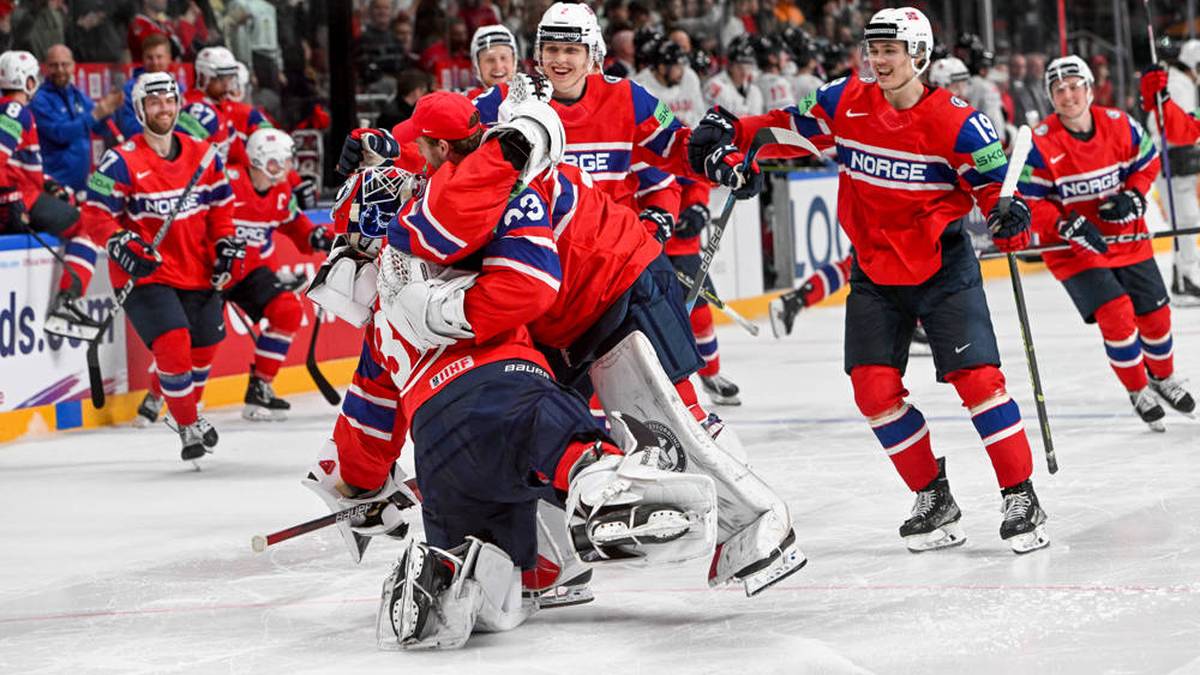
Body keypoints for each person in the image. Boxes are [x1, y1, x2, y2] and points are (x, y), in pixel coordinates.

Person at [691, 7, 1050, 554]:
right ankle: (934, 496)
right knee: (873, 391)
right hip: (875, 271)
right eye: (874, 50)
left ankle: (1020, 493)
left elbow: (998, 195)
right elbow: (790, 128)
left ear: (920, 56)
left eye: (891, 51)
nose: (879, 61)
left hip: (940, 266)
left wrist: (1012, 216)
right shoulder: (844, 99)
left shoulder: (958, 122)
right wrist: (732, 128)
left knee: (977, 381)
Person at [1016, 55, 1195, 432]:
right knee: (1117, 314)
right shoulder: (1041, 143)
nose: (1068, 95)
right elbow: (1031, 200)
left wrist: (1134, 195)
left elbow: (1146, 164)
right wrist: (1065, 223)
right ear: (1051, 97)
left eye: (1074, 86)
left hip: (1128, 239)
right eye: (1059, 89)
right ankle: (1137, 389)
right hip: (1075, 250)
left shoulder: (1119, 124)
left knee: (1156, 316)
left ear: (1089, 87)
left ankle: (1162, 377)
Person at [81, 72, 241, 461]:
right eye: (154, 103)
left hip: (196, 268)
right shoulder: (120, 160)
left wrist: (224, 244)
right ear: (140, 109)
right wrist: (119, 241)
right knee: (173, 343)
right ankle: (187, 422)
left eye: (169, 101)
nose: (163, 108)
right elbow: (95, 214)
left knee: (206, 343)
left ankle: (180, 403)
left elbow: (221, 208)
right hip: (145, 273)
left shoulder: (203, 155)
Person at [134, 128, 331, 425]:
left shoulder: (280, 192)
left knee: (288, 311)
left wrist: (316, 236)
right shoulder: (228, 181)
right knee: (195, 342)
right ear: (264, 161)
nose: (288, 168)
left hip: (251, 271)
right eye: (282, 162)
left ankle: (260, 387)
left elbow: (296, 225)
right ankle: (159, 393)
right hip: (211, 271)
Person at [1146, 39, 1200, 304]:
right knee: (1186, 220)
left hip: (1178, 158)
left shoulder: (1177, 81)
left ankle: (1186, 277)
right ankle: (1184, 280)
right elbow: (1177, 126)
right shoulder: (1179, 84)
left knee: (1187, 220)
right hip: (1174, 158)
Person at [31, 44, 122, 193]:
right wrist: (96, 114)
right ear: (46, 67)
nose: (60, 70)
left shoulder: (78, 95)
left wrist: (110, 108)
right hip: (54, 186)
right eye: (54, 65)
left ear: (73, 66)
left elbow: (101, 129)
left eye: (64, 64)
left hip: (80, 185)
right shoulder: (39, 100)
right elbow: (59, 134)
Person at [114, 33, 179, 141]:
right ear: (143, 58)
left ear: (169, 58)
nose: (155, 62)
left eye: (159, 57)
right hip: (143, 149)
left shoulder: (178, 88)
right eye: (150, 57)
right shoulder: (130, 89)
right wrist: (161, 132)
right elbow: (128, 127)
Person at [704, 34, 765, 116]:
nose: (744, 73)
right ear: (730, 66)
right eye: (739, 67)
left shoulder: (754, 90)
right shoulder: (715, 86)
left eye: (748, 67)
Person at [466, 23, 518, 98]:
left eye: (503, 58)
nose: (498, 66)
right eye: (490, 60)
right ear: (476, 64)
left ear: (514, 61)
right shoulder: (466, 104)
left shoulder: (532, 101)